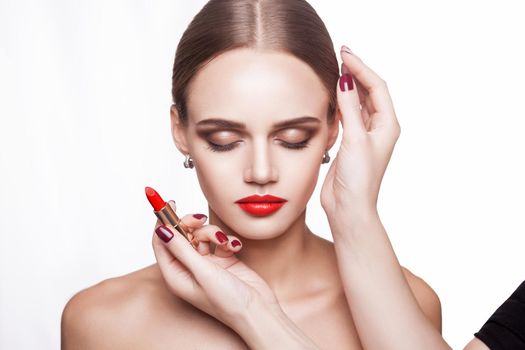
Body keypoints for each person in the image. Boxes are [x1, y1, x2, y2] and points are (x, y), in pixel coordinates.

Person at [60, 0, 443, 348]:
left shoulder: (406, 309)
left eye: (292, 138)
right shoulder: (102, 322)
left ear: (333, 129)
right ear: (181, 131)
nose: (261, 172)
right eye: (224, 139)